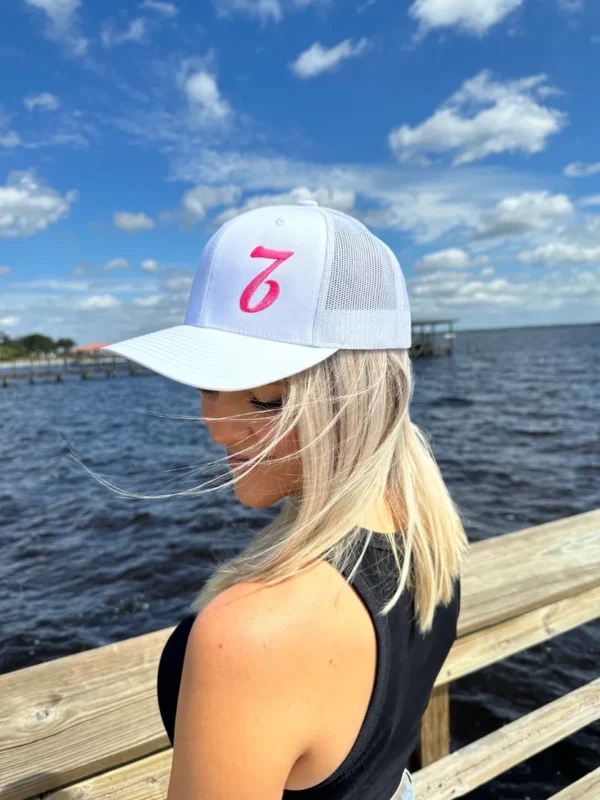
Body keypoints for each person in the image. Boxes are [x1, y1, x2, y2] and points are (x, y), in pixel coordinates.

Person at [102, 200, 469, 800]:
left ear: (359, 397)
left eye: (267, 400)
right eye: (208, 383)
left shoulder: (251, 634)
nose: (215, 425)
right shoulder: (428, 535)